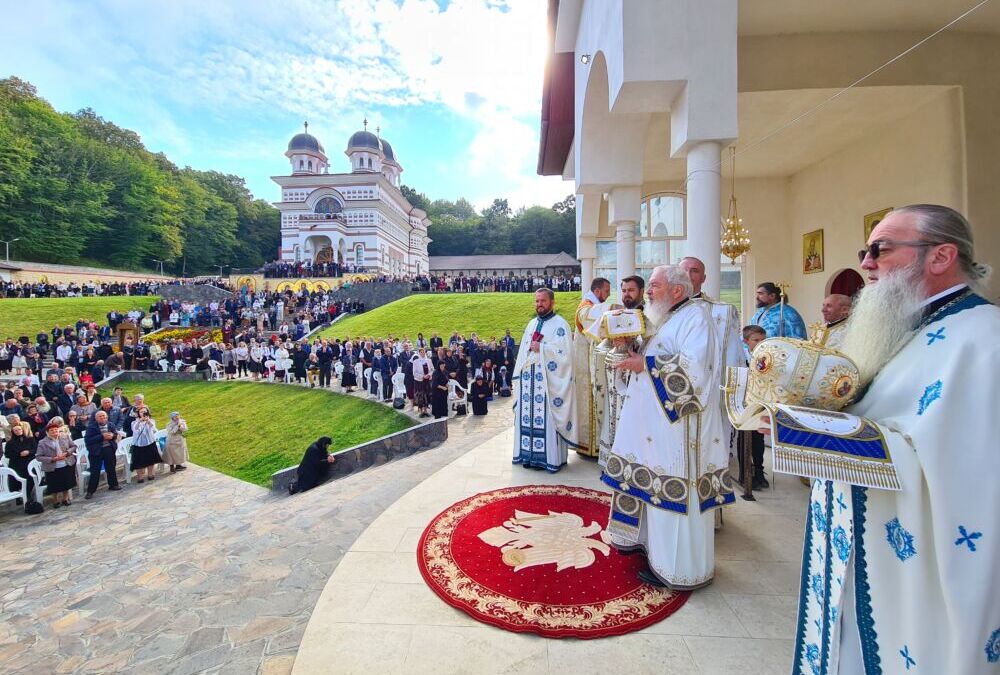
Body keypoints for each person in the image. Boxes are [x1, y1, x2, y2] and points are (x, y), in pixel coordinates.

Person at [769, 205, 998, 675]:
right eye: (865, 250)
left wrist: (802, 432)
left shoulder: (984, 341)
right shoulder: (902, 329)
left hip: (914, 569)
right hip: (856, 538)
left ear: (941, 257)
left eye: (881, 249)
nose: (866, 263)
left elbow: (966, 471)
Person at [604, 265, 730, 589]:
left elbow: (696, 372)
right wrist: (636, 354)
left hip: (679, 437)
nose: (648, 292)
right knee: (652, 493)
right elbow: (661, 357)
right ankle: (651, 550)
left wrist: (643, 363)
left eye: (655, 286)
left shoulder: (696, 318)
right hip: (658, 432)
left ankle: (678, 571)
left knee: (674, 500)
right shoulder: (672, 317)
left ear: (676, 290)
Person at [511, 288, 577, 472]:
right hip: (528, 385)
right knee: (527, 418)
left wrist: (543, 347)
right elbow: (524, 352)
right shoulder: (531, 324)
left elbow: (565, 355)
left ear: (552, 302)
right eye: (537, 301)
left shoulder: (560, 325)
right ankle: (527, 455)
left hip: (548, 384)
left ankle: (547, 458)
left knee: (546, 419)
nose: (539, 304)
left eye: (543, 301)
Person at [572, 277, 615, 458]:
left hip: (593, 364)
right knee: (588, 402)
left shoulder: (592, 305)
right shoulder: (585, 306)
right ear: (597, 291)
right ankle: (589, 445)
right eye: (606, 291)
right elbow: (588, 317)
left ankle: (597, 444)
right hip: (585, 367)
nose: (608, 295)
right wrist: (612, 309)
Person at [736, 325, 768, 490]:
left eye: (763, 340)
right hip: (745, 402)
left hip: (760, 402)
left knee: (759, 439)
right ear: (746, 341)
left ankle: (759, 471)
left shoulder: (768, 358)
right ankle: (744, 473)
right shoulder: (742, 357)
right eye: (756, 340)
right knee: (744, 438)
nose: (760, 343)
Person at [36, 417, 77, 508]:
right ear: (48, 432)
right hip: (52, 466)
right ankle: (55, 500)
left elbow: (73, 446)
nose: (54, 432)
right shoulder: (42, 442)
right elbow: (38, 457)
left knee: (66, 483)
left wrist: (67, 453)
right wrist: (53, 459)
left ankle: (65, 499)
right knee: (54, 485)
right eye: (52, 430)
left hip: (66, 462)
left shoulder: (65, 436)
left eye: (56, 430)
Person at [83, 410, 122, 499]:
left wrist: (112, 436)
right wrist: (102, 437)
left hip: (109, 448)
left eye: (104, 416)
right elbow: (88, 440)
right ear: (96, 418)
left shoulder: (110, 424)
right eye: (100, 416)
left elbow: (115, 434)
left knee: (111, 468)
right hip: (96, 451)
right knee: (95, 471)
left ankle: (113, 485)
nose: (103, 418)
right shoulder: (91, 427)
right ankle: (91, 491)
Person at [4, 423, 36, 501]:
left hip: (29, 462)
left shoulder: (30, 439)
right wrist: (19, 454)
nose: (18, 431)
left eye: (19, 429)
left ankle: (27, 494)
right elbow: (7, 454)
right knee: (17, 477)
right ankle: (19, 496)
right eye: (16, 430)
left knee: (31, 477)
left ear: (22, 430)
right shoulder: (10, 443)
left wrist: (28, 452)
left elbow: (35, 449)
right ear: (13, 432)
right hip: (17, 463)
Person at [130, 408, 160, 483]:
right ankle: (140, 476)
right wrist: (139, 422)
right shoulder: (134, 422)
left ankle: (150, 474)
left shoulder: (151, 420)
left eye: (144, 411)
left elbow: (153, 429)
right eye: (141, 412)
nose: (143, 413)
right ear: (138, 413)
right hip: (138, 444)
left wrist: (148, 421)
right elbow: (135, 430)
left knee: (151, 459)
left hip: (150, 442)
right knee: (138, 461)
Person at [411, 348, 433, 417]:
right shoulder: (416, 361)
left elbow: (432, 369)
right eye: (421, 352)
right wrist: (423, 376)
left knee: (427, 395)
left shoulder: (429, 360)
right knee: (420, 396)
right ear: (419, 353)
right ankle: (421, 411)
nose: (423, 353)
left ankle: (426, 411)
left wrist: (429, 375)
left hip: (427, 381)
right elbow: (414, 373)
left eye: (424, 352)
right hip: (419, 381)